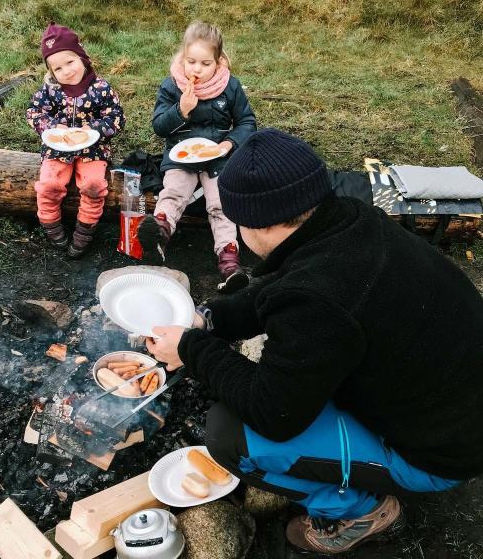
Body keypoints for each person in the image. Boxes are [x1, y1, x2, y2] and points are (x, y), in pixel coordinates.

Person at [146, 129, 483, 555]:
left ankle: (360, 512)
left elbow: (276, 413)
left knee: (229, 433)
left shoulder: (318, 300)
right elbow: (281, 290)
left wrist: (191, 350)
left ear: (259, 222)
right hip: (453, 395)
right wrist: (209, 320)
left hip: (442, 452)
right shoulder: (349, 221)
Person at [139, 21, 256, 293]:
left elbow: (247, 122)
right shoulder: (172, 85)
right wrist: (181, 110)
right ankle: (159, 234)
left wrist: (229, 144)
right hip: (182, 153)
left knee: (221, 204)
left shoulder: (230, 87)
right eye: (191, 61)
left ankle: (229, 262)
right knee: (174, 192)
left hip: (218, 157)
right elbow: (159, 126)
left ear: (219, 61)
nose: (197, 70)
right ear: (183, 57)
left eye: (205, 63)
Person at [26, 22, 125, 258]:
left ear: (83, 57)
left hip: (94, 149)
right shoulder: (50, 91)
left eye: (70, 62)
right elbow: (33, 113)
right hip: (57, 148)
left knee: (93, 186)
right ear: (51, 72)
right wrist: (50, 126)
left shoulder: (100, 89)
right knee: (49, 185)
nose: (67, 71)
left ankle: (84, 230)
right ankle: (52, 227)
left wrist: (94, 129)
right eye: (58, 68)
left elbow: (117, 118)